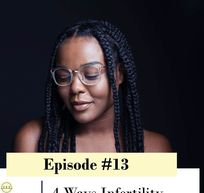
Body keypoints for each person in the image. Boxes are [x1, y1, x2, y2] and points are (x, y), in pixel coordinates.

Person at [14, 20, 172, 152]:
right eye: (64, 76)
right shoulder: (33, 140)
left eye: (90, 74)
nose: (75, 87)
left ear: (119, 74)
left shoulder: (155, 149)